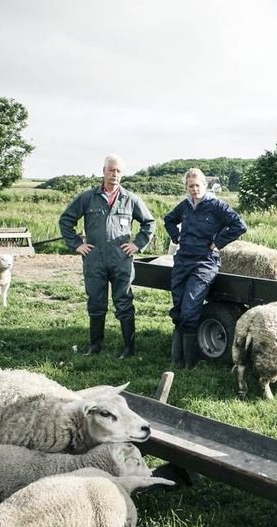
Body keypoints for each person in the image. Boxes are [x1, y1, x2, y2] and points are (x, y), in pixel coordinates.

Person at [59, 154, 156, 357]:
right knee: (96, 302)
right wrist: (77, 244)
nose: (115, 174)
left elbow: (149, 223)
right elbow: (66, 220)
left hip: (121, 260)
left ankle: (129, 349)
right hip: (94, 260)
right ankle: (95, 347)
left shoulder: (130, 199)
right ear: (103, 171)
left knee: (124, 302)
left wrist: (137, 244)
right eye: (111, 170)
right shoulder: (88, 197)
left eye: (119, 171)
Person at [164, 168, 247, 368]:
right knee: (177, 308)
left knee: (190, 309)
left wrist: (218, 242)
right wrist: (176, 236)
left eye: (197, 185)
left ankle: (189, 364)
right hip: (183, 260)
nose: (194, 189)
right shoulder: (185, 206)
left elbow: (239, 225)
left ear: (205, 185)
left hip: (204, 262)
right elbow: (168, 220)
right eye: (190, 186)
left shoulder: (216, 205)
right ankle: (177, 360)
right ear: (186, 187)